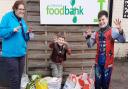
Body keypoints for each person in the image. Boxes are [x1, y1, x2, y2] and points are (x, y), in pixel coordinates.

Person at [84, 10, 125, 89]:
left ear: (107, 19)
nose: (101, 22)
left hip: (108, 63)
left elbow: (122, 40)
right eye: (99, 20)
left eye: (103, 19)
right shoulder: (96, 33)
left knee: (105, 83)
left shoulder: (113, 31)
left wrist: (120, 31)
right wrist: (88, 37)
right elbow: (89, 45)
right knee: (97, 83)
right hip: (98, 63)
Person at [0, 0, 32, 89]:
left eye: (23, 9)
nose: (22, 11)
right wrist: (11, 30)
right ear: (14, 9)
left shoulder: (22, 21)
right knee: (14, 79)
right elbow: (1, 32)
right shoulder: (7, 17)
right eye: (20, 9)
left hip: (21, 54)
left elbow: (25, 38)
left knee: (18, 78)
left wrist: (28, 33)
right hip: (10, 54)